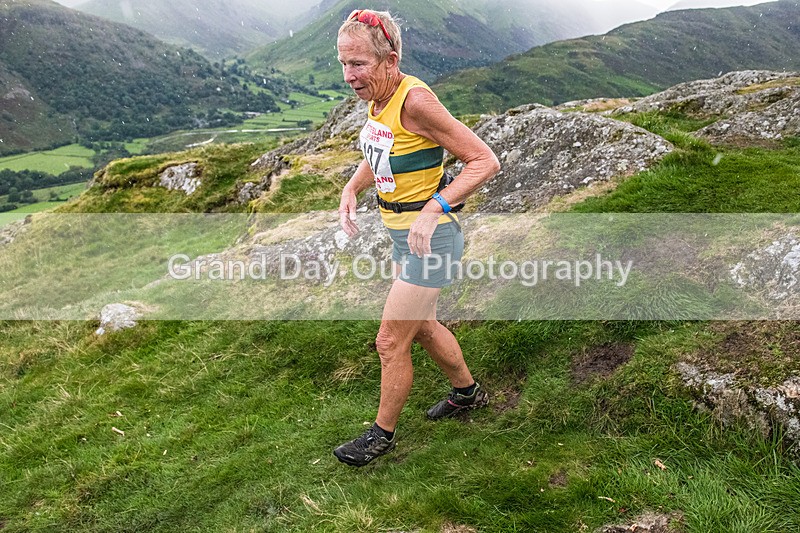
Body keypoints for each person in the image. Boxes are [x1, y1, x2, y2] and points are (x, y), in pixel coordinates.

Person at [333, 9, 501, 467]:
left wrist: (434, 208)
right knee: (421, 327)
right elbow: (382, 148)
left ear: (390, 60)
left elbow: (485, 161)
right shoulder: (379, 98)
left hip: (433, 241)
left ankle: (381, 436)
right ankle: (467, 394)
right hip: (402, 239)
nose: (349, 76)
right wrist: (352, 187)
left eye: (358, 64)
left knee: (390, 341)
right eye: (344, 64)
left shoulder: (415, 102)